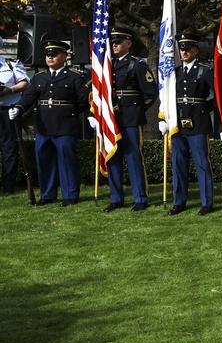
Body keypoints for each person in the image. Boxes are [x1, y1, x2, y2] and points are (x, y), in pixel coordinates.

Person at [8, 39, 89, 206]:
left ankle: (70, 195)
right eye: (47, 55)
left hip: (66, 125)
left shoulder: (74, 77)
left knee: (67, 161)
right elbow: (29, 97)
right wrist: (19, 108)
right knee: (44, 160)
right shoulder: (39, 78)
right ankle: (47, 194)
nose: (50, 57)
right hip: (44, 126)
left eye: (54, 54)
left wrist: (70, 114)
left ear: (64, 56)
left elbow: (83, 101)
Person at [163, 32, 221, 216]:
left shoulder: (205, 71)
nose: (184, 52)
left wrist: (205, 107)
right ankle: (179, 202)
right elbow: (166, 96)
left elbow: (219, 96)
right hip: (178, 124)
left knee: (202, 163)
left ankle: (207, 203)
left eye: (188, 49)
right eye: (182, 49)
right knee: (178, 163)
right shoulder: (175, 73)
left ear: (196, 51)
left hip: (198, 123)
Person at [102, 26, 158, 212]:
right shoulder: (107, 65)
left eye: (119, 42)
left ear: (129, 44)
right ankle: (116, 198)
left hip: (131, 118)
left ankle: (140, 198)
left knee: (134, 158)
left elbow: (150, 93)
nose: (115, 45)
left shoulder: (137, 65)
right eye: (113, 42)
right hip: (112, 119)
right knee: (113, 158)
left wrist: (137, 109)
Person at [0, 53, 30, 195]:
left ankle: (8, 185)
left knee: (9, 148)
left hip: (7, 110)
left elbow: (25, 83)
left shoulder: (11, 63)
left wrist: (9, 90)